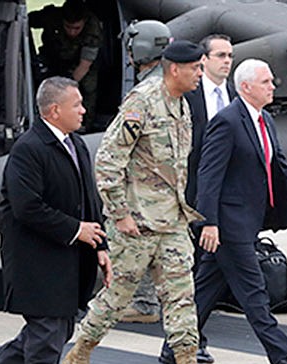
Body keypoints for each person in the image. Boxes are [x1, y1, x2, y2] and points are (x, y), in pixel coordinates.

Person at [61, 40, 229, 364]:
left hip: (172, 222)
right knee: (117, 297)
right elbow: (107, 160)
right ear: (174, 69)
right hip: (136, 223)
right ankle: (79, 354)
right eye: (196, 68)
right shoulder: (143, 102)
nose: (201, 75)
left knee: (182, 296)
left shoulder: (181, 105)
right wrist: (119, 214)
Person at [0, 76, 112, 364]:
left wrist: (99, 247)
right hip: (38, 266)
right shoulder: (29, 149)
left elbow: (88, 200)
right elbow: (26, 206)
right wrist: (76, 230)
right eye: (77, 104)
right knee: (45, 354)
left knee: (47, 337)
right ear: (55, 110)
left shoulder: (74, 143)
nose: (84, 110)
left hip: (69, 262)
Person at [192, 58, 287, 364]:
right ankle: (282, 358)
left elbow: (280, 166)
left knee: (206, 288)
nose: (273, 86)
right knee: (253, 291)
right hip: (228, 223)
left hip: (248, 220)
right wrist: (208, 222)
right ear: (246, 88)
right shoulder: (227, 122)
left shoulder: (264, 119)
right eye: (266, 82)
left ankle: (175, 345)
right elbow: (208, 176)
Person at [158, 33, 238, 364]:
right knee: (187, 272)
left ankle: (183, 342)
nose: (226, 61)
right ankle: (187, 343)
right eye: (220, 55)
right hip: (187, 197)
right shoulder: (186, 97)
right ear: (202, 61)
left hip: (222, 199)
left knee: (206, 272)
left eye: (230, 55)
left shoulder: (235, 96)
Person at [116, 19, 171, 325]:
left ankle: (144, 302)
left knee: (141, 242)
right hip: (164, 184)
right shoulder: (168, 84)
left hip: (146, 183)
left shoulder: (146, 91)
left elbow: (125, 143)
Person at [29, 0, 103, 131]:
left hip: (79, 63)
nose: (72, 32)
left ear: (84, 22)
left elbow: (84, 65)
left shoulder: (93, 29)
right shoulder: (51, 16)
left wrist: (65, 88)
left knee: (88, 87)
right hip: (53, 58)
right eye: (68, 27)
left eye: (76, 28)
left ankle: (84, 125)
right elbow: (26, 21)